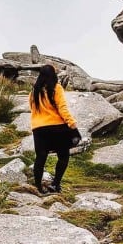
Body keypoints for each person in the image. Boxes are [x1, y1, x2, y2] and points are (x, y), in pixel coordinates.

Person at [29, 64, 78, 194]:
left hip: (38, 129)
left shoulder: (34, 91)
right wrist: (72, 123)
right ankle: (55, 184)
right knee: (63, 156)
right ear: (53, 75)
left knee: (40, 158)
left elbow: (32, 109)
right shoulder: (56, 88)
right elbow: (62, 108)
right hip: (57, 128)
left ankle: (38, 188)